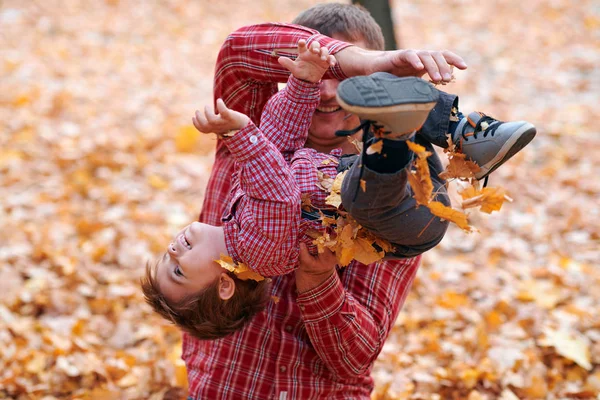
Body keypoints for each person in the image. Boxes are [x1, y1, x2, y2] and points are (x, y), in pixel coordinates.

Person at [179, 4, 536, 399]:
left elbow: (355, 359)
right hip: (223, 385)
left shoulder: (397, 193)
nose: (330, 89)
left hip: (319, 387)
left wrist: (317, 281)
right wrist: (349, 63)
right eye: (329, 71)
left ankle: (424, 131)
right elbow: (236, 50)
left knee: (390, 196)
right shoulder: (244, 134)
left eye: (347, 76)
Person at [141, 40, 445, 340]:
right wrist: (241, 136)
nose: (171, 252)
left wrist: (302, 82)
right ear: (224, 285)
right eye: (178, 271)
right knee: (365, 182)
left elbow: (276, 140)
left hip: (398, 193)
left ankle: (464, 131)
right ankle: (392, 130)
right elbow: (279, 195)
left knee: (402, 109)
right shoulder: (260, 255)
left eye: (166, 260)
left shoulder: (236, 219)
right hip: (400, 217)